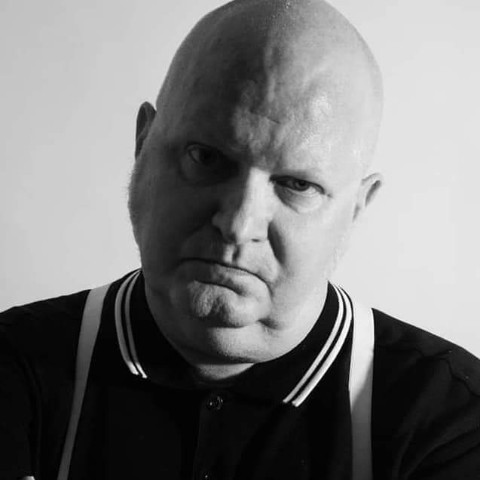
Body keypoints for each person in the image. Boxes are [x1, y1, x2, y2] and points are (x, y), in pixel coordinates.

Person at [1, 0, 480, 479]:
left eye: (297, 184)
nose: (237, 223)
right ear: (143, 144)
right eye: (206, 157)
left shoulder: (450, 421)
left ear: (356, 209)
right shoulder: (13, 365)